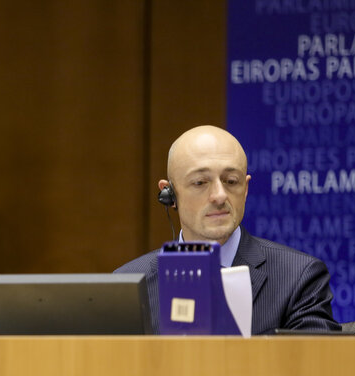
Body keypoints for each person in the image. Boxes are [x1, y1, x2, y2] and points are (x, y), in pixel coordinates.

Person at [114, 125, 340, 335]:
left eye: (231, 181)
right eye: (200, 182)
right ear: (169, 194)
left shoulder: (299, 277)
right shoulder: (129, 284)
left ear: (246, 188)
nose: (220, 195)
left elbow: (315, 370)